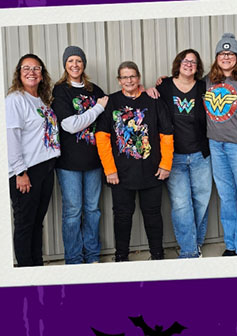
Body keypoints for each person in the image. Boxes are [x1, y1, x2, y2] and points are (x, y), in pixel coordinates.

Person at [96, 61, 173, 261]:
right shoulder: (111, 102)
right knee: (122, 216)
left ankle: (158, 255)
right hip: (121, 174)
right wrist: (109, 170)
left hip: (152, 171)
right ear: (119, 80)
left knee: (153, 215)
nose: (129, 80)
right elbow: (102, 138)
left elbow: (166, 133)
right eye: (124, 77)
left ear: (138, 77)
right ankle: (121, 256)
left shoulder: (153, 99)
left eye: (132, 76)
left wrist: (166, 164)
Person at [51, 46, 108, 264]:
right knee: (73, 213)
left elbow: (118, 104)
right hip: (68, 164)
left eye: (78, 60)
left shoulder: (95, 90)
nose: (75, 64)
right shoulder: (60, 91)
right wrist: (97, 110)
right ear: (65, 65)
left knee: (93, 210)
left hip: (93, 162)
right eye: (70, 61)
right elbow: (70, 125)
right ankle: (74, 260)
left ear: (83, 64)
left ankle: (92, 256)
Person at [6, 54, 61, 267]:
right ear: (19, 73)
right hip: (27, 171)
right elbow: (11, 138)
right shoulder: (15, 100)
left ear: (42, 74)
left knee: (37, 223)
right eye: (26, 68)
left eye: (36, 68)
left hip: (46, 168)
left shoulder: (41, 100)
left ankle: (37, 267)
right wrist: (20, 172)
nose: (31, 72)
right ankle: (25, 271)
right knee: (25, 224)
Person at [159, 49, 212, 258]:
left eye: (193, 62)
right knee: (181, 204)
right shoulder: (163, 87)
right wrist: (148, 90)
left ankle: (195, 243)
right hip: (174, 157)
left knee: (201, 201)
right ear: (178, 63)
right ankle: (189, 252)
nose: (189, 64)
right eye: (185, 60)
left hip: (200, 155)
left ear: (197, 68)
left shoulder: (204, 87)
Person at [205, 33, 237, 256]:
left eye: (230, 53)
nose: (226, 57)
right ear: (216, 57)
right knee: (227, 197)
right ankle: (231, 246)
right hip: (216, 146)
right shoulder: (208, 80)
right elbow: (182, 82)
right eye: (222, 53)